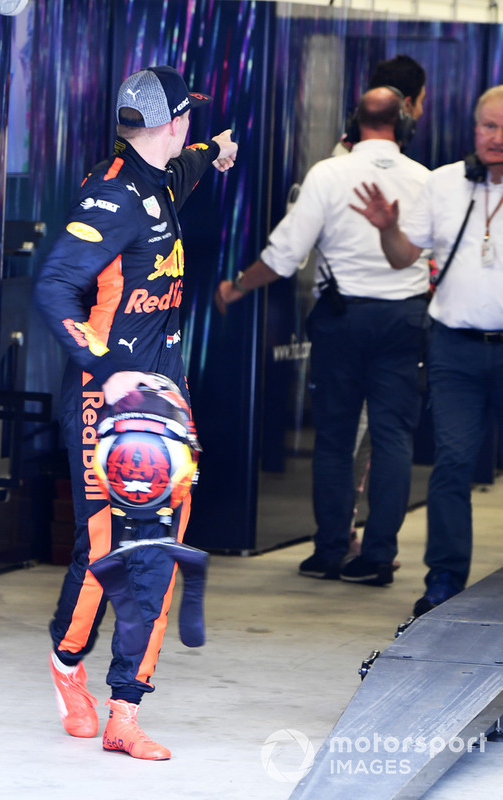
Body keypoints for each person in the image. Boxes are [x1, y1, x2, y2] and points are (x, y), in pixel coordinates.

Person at [34, 65, 237, 759]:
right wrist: (107, 370)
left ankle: (125, 708)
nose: (195, 133)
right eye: (193, 123)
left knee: (157, 551)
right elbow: (54, 289)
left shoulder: (165, 178)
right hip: (103, 402)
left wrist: (221, 150)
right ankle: (67, 665)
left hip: (166, 406)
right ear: (174, 123)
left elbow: (197, 164)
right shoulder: (111, 196)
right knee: (103, 552)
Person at [216, 87, 430, 586]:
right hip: (405, 321)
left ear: (353, 124)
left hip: (343, 322)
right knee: (393, 439)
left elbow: (285, 255)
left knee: (334, 439)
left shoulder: (328, 174)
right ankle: (378, 556)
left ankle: (331, 549)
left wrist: (237, 285)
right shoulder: (424, 179)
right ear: (403, 124)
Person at [351, 84, 503, 616]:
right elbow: (401, 258)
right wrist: (389, 228)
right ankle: (443, 579)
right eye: (487, 125)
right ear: (473, 127)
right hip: (454, 348)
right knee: (453, 464)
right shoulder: (443, 184)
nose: (495, 137)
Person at [333, 54, 427, 558]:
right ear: (408, 106)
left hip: (352, 313)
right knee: (367, 434)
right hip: (378, 313)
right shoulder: (406, 171)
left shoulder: (336, 160)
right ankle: (351, 535)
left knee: (366, 435)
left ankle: (348, 534)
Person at [333, 54, 426, 156]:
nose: (421, 111)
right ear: (407, 106)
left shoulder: (336, 159)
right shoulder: (413, 170)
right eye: (420, 102)